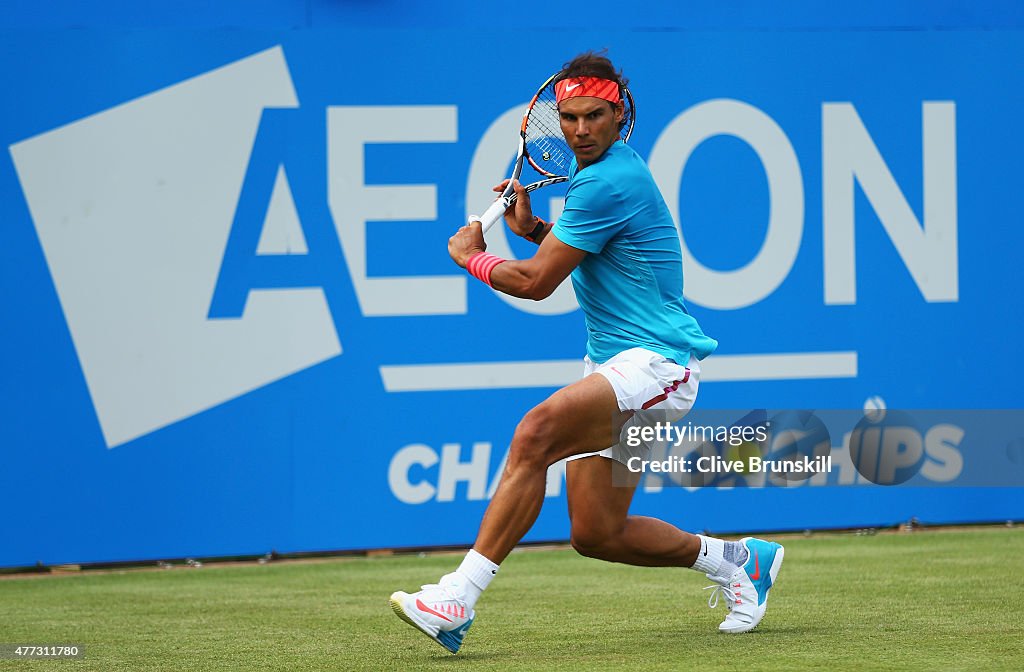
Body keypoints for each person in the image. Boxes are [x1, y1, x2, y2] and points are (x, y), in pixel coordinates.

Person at [390, 52, 784, 654]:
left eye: (594, 116)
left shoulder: (608, 179)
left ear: (618, 114)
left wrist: (472, 255)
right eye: (569, 118)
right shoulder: (598, 180)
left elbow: (535, 284)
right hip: (618, 364)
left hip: (656, 364)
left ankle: (455, 597)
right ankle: (737, 561)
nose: (580, 130)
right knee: (597, 532)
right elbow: (589, 261)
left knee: (535, 433)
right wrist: (532, 233)